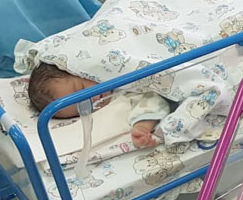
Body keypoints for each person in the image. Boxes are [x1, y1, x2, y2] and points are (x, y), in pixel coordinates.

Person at [27, 62, 168, 148]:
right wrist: (143, 126)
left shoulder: (106, 66)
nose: (92, 99)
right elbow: (151, 101)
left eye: (82, 89)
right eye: (83, 107)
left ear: (78, 71)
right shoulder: (120, 97)